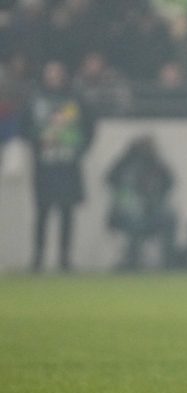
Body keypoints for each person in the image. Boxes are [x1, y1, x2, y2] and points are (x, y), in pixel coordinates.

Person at [20, 60, 94, 273]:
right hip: (44, 166)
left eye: (57, 74)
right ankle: (38, 259)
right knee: (42, 212)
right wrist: (38, 142)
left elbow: (89, 127)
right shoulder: (35, 100)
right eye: (50, 74)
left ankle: (64, 259)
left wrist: (79, 149)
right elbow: (25, 128)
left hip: (68, 166)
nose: (53, 78)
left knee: (67, 212)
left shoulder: (75, 100)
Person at [106, 135, 178, 271]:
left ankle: (169, 261)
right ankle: (132, 260)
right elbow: (110, 180)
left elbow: (170, 182)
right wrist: (124, 198)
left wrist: (156, 199)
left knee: (170, 218)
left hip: (152, 211)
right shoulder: (125, 165)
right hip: (126, 212)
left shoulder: (157, 165)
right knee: (134, 219)